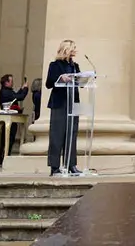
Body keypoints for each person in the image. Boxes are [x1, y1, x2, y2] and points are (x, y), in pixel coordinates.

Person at [45, 39, 83, 175]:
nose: (75, 51)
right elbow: (49, 83)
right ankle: (54, 167)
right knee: (57, 134)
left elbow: (80, 82)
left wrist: (83, 78)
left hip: (74, 102)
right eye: (73, 48)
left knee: (72, 134)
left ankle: (71, 165)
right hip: (60, 103)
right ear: (66, 49)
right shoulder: (55, 65)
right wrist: (61, 77)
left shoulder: (75, 65)